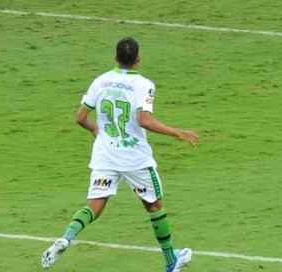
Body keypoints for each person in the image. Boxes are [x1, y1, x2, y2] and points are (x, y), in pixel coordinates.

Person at [41, 37, 200, 271]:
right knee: (154, 206)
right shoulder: (144, 84)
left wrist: (96, 129)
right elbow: (143, 120)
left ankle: (67, 237)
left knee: (95, 204)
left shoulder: (101, 81)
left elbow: (80, 118)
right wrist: (177, 132)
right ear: (138, 60)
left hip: (105, 154)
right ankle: (171, 261)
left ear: (115, 58)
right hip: (135, 158)